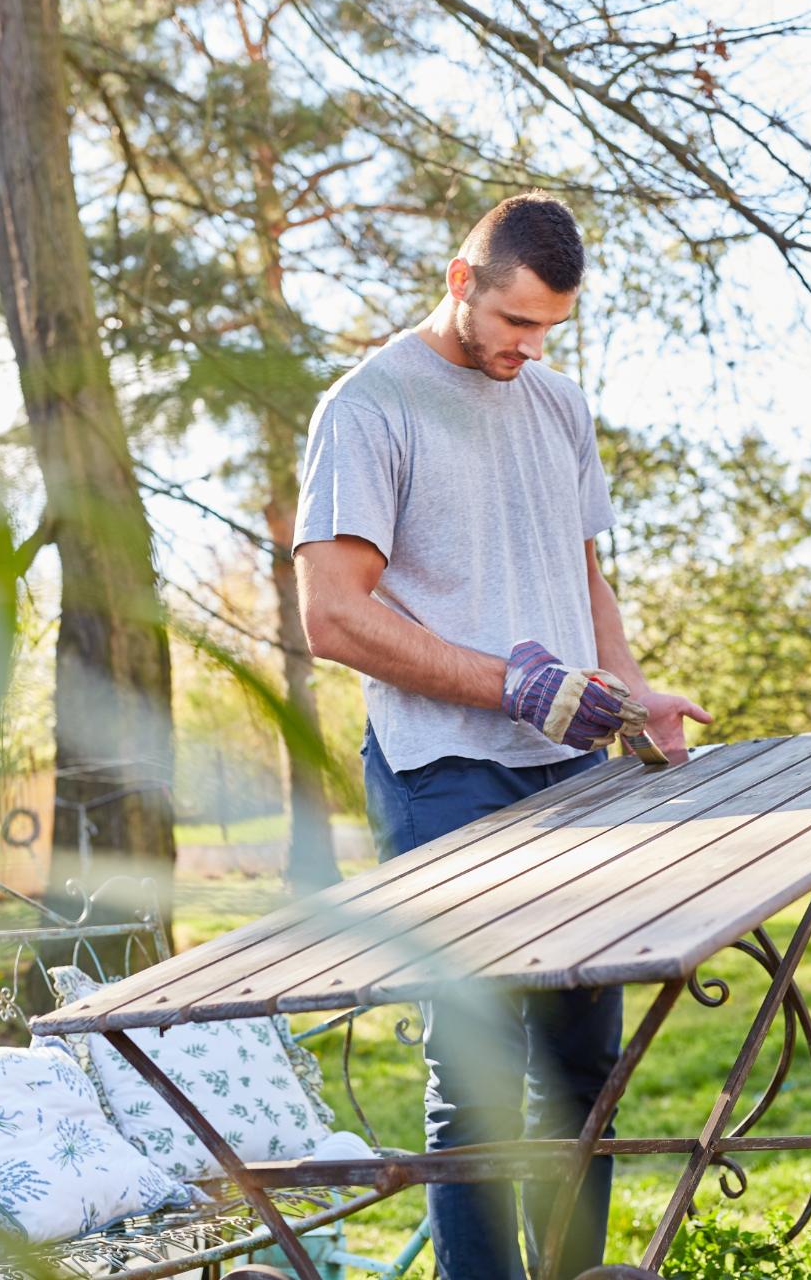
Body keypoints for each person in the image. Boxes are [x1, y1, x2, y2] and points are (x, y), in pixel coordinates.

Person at [292, 191, 711, 1280]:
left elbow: (579, 577)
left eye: (548, 329)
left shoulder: (559, 407)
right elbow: (332, 613)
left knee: (584, 1059)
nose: (527, 349)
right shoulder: (369, 406)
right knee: (475, 1066)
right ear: (457, 279)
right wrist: (511, 685)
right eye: (513, 322)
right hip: (442, 773)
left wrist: (628, 690)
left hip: (572, 767)